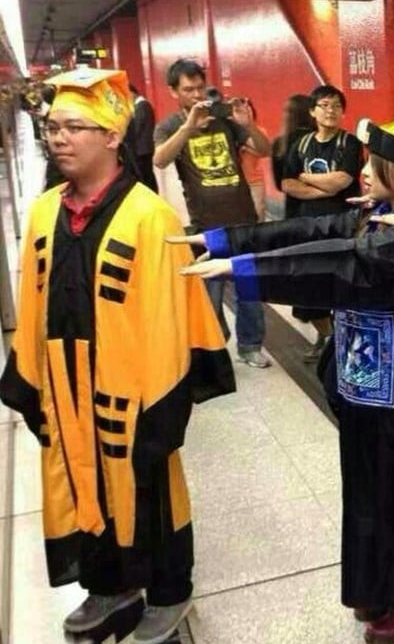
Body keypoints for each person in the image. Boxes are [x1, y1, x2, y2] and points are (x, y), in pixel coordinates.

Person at [172, 119, 394, 644]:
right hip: (366, 384)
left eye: (375, 164)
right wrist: (225, 241)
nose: (363, 172)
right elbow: (306, 231)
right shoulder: (377, 216)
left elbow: (331, 265)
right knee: (366, 488)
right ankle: (375, 584)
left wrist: (243, 271)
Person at [0, 67, 235, 644]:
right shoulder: (44, 211)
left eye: (75, 126)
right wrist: (27, 378)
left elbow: (173, 317)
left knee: (150, 495)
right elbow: (33, 301)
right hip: (64, 384)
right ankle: (108, 586)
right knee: (83, 486)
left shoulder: (149, 217)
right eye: (52, 126)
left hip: (134, 393)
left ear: (111, 136)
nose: (58, 137)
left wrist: (163, 404)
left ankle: (169, 595)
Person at [152, 59, 273, 369]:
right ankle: (214, 347)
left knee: (249, 286)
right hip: (205, 225)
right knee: (210, 293)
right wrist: (188, 127)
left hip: (243, 217)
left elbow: (264, 150)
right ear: (173, 92)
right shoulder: (169, 126)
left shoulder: (224, 119)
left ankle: (250, 346)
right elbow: (160, 160)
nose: (195, 95)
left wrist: (247, 125)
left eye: (199, 88)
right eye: (188, 89)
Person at [281, 85, 363, 363]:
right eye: (325, 105)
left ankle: (347, 341)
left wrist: (307, 177)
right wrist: (324, 188)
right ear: (313, 111)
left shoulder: (349, 143)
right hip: (308, 228)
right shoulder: (301, 145)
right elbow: (287, 183)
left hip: (343, 226)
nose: (331, 111)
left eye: (337, 106)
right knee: (308, 288)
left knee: (341, 285)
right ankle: (327, 336)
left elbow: (343, 181)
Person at [271, 94, 316, 221]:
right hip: (323, 209)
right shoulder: (323, 140)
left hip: (294, 209)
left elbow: (279, 185)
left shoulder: (280, 144)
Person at [237, 98, 270, 221]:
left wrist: (244, 146)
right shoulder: (230, 131)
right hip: (236, 182)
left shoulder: (259, 131)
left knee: (258, 214)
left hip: (254, 181)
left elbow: (264, 152)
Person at [126, 83, 158, 191]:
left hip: (143, 150)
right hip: (142, 149)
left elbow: (137, 127)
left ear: (132, 92)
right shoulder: (138, 106)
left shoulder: (142, 105)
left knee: (146, 175)